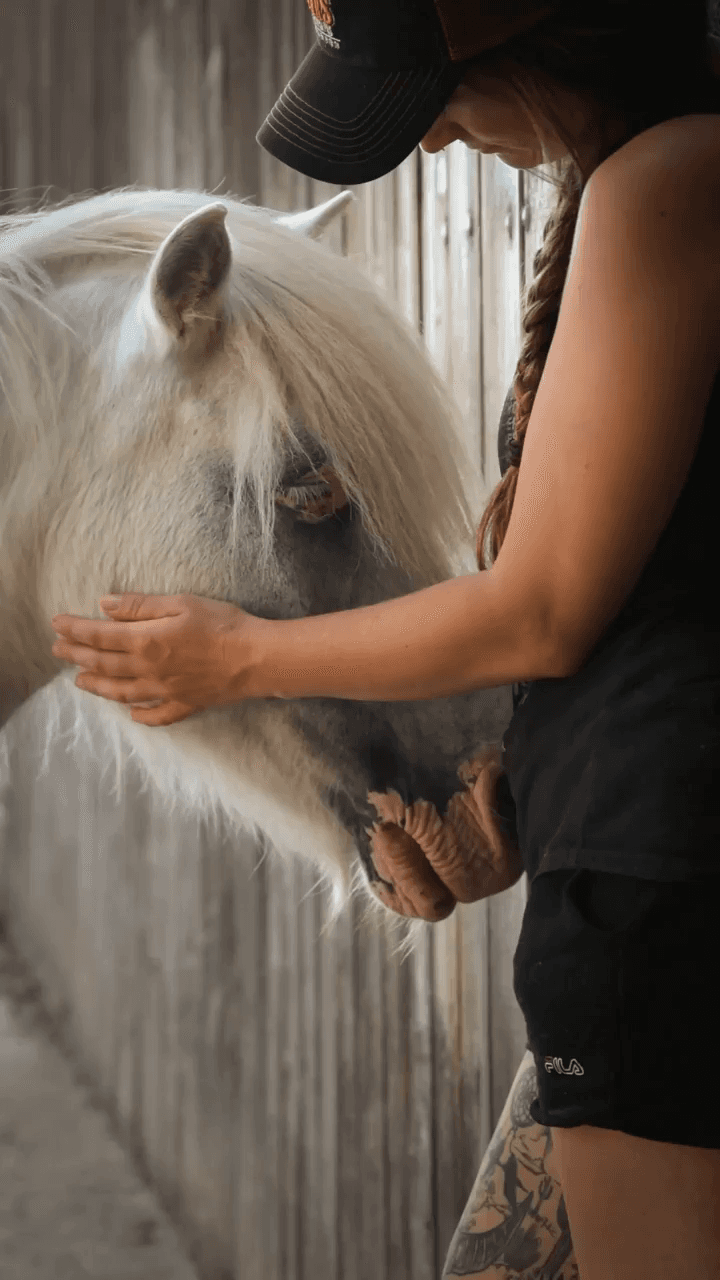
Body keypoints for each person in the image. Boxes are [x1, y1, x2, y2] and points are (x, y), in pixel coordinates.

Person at [50, 1, 720, 1275]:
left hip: (659, 900)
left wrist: (234, 655)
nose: (434, 146)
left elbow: (543, 605)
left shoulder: (665, 179)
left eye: (437, 102)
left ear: (543, 40)